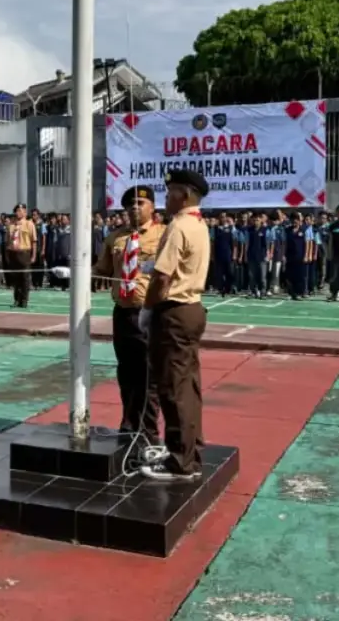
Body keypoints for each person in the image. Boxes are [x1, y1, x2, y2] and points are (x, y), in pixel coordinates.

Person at [139, 169, 211, 481]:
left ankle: (182, 461)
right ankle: (188, 448)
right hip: (192, 308)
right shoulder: (198, 223)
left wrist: (147, 307)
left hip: (174, 312)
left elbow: (162, 277)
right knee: (188, 386)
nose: (165, 199)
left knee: (173, 387)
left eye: (169, 193)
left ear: (183, 194)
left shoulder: (178, 226)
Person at [94, 185, 165, 449]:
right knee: (127, 373)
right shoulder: (116, 238)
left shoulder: (163, 235)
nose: (135, 208)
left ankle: (147, 432)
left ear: (152, 207)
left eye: (140, 203)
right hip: (123, 313)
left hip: (148, 313)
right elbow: (101, 270)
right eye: (130, 205)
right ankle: (129, 424)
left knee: (149, 376)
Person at [5, 203, 37, 307]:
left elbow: (34, 241)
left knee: (25, 278)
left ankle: (24, 300)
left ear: (25, 212)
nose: (18, 213)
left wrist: (33, 255)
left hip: (24, 253)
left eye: (21, 210)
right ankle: (16, 300)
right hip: (13, 254)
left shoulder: (29, 224)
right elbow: (7, 242)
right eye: (17, 211)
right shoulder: (11, 226)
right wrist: (8, 254)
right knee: (16, 278)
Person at [283, 212, 308, 300]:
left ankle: (299, 293)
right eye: (293, 220)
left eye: (296, 220)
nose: (295, 221)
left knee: (299, 275)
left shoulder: (304, 230)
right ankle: (291, 293)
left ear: (299, 220)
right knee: (289, 276)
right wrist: (284, 255)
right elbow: (284, 243)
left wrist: (306, 255)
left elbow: (307, 244)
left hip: (300, 256)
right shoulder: (287, 230)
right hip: (290, 256)